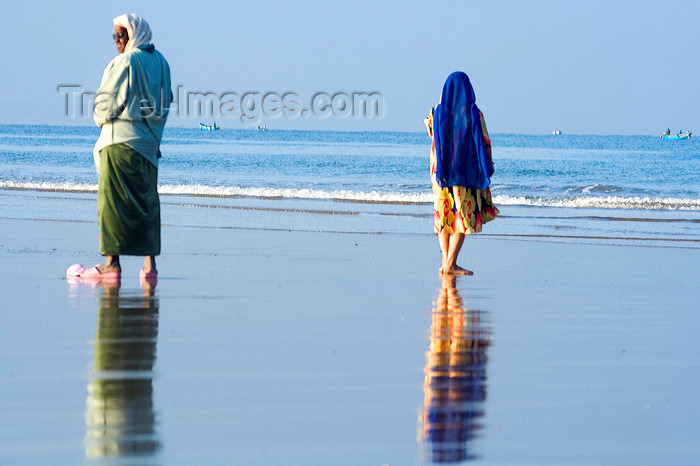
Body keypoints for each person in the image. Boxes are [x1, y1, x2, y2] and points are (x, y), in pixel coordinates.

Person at [67, 14, 172, 282]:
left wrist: (103, 120)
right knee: (147, 203)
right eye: (114, 36)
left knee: (112, 203)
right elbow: (166, 101)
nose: (116, 41)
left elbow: (104, 108)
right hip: (149, 148)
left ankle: (110, 264)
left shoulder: (125, 62)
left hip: (120, 144)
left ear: (133, 35)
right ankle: (150, 268)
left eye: (120, 35)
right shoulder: (162, 63)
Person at [424, 72, 498, 275]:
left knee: (444, 218)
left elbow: (431, 132)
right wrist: (487, 165)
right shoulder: (474, 114)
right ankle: (450, 264)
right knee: (461, 217)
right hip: (464, 174)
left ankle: (446, 262)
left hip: (440, 176)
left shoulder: (435, 114)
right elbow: (484, 142)